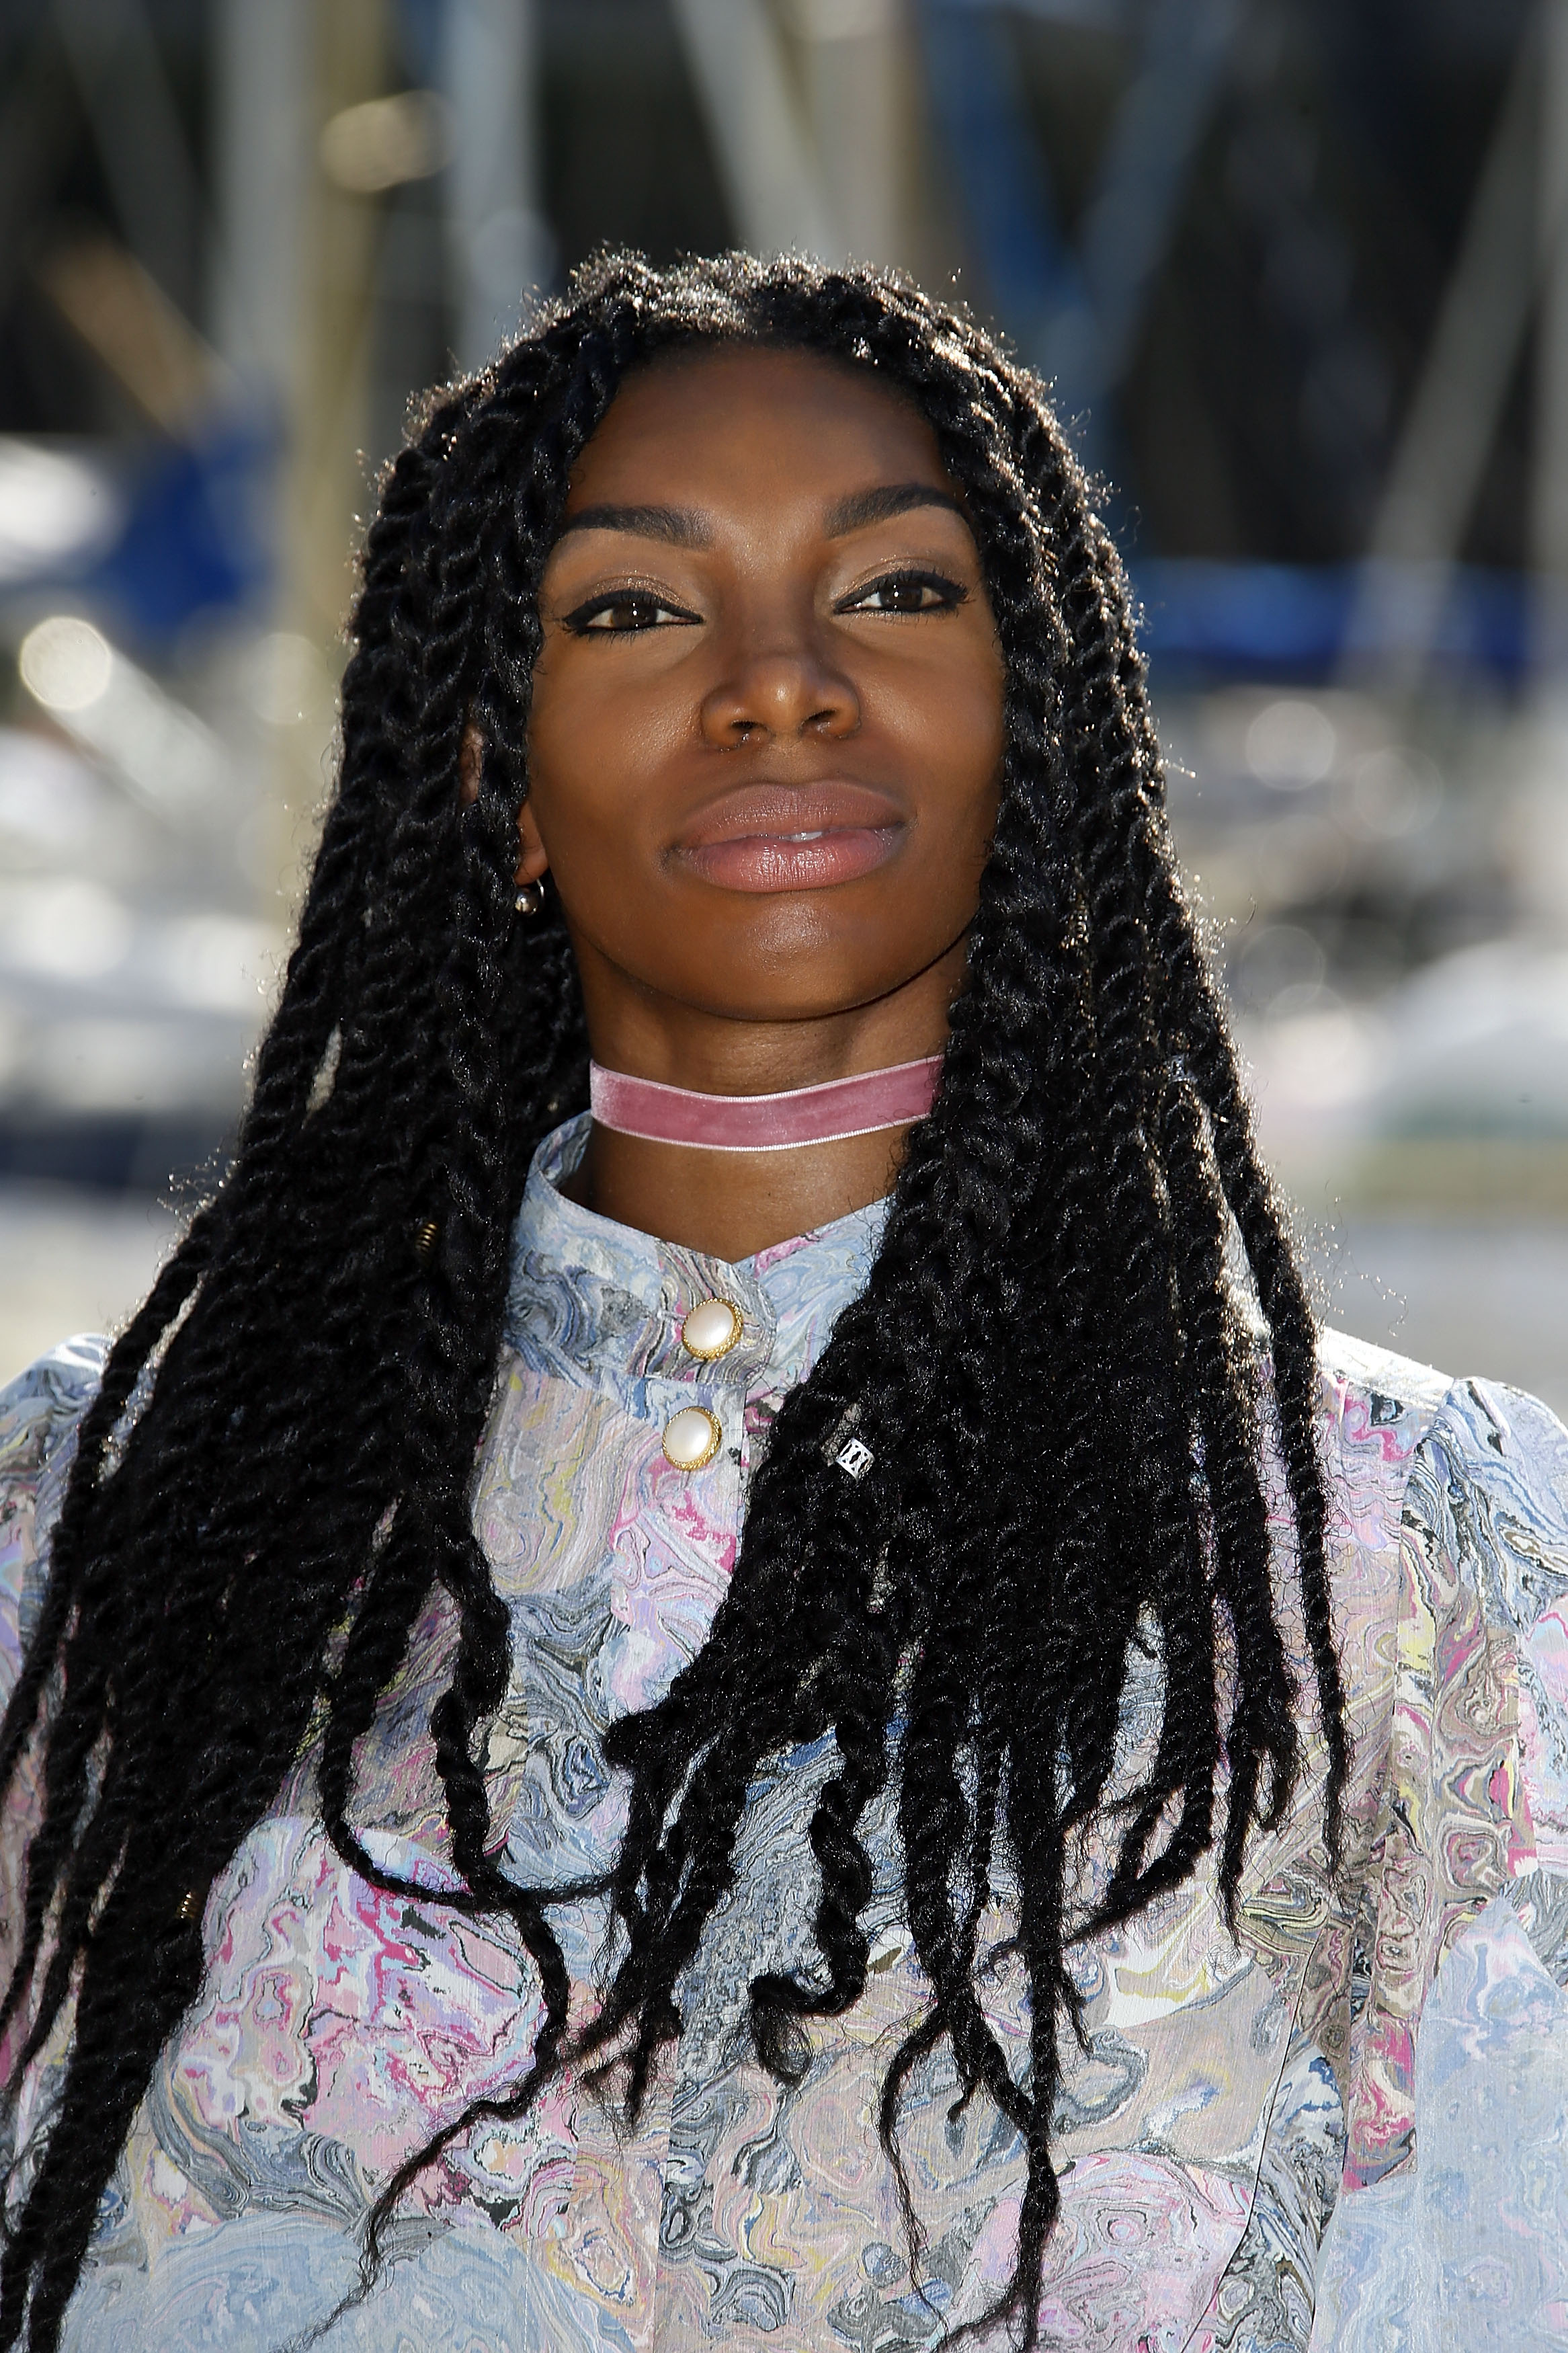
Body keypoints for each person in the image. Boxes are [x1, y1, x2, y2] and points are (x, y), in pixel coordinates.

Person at [0, 252, 1565, 2353]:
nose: (780, 680)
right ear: (491, 767)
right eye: (635, 608)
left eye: (899, 591)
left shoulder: (1406, 1555)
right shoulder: (94, 1533)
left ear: (1042, 719)